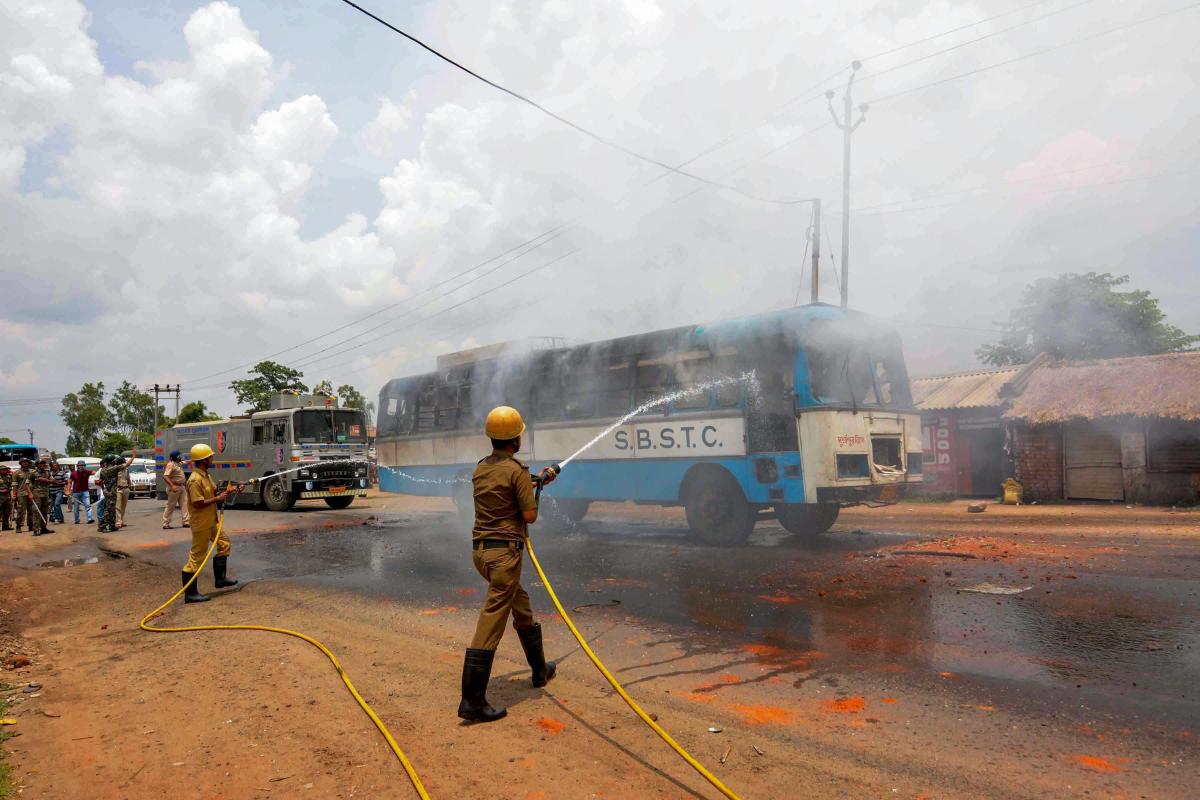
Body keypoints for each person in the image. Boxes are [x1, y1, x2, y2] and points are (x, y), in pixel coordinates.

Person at [458, 406, 558, 723]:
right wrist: (536, 491)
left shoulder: (481, 469)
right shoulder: (515, 471)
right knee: (492, 620)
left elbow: (505, 488)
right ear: (515, 439)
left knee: (522, 605)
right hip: (505, 556)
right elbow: (528, 515)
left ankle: (539, 671)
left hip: (482, 554)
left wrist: (538, 480)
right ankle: (472, 701)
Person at [181, 443, 240, 604]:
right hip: (201, 524)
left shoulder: (206, 475)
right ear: (203, 460)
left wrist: (231, 490)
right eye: (210, 457)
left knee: (224, 543)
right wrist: (218, 499)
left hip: (211, 522)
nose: (212, 459)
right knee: (196, 557)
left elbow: (214, 492)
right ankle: (190, 594)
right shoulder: (194, 480)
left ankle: (220, 580)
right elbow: (198, 503)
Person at [97, 451, 135, 533]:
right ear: (112, 461)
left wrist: (103, 489)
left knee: (111, 509)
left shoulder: (102, 470)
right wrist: (133, 456)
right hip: (112, 491)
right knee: (109, 510)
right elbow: (126, 465)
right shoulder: (113, 468)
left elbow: (100, 481)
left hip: (107, 490)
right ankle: (104, 526)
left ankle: (111, 525)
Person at [161, 450, 189, 529]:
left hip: (181, 487)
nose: (181, 457)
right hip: (174, 488)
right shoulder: (171, 465)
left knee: (185, 504)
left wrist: (193, 460)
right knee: (171, 506)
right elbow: (165, 476)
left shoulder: (178, 464)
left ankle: (186, 522)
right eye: (179, 456)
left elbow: (185, 462)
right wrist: (172, 485)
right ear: (176, 457)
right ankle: (165, 523)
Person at [29, 460, 55, 535]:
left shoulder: (47, 472)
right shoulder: (33, 473)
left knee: (45, 511)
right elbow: (27, 484)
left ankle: (43, 528)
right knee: (37, 512)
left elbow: (52, 478)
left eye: (44, 463)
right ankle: (36, 529)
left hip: (45, 494)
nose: (43, 465)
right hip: (37, 494)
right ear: (38, 464)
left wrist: (52, 480)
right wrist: (30, 494)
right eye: (41, 463)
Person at [12, 458, 35, 534]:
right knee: (21, 510)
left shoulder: (32, 472)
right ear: (20, 463)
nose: (25, 463)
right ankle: (18, 526)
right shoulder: (16, 473)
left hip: (31, 493)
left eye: (27, 462)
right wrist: (14, 495)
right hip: (21, 493)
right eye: (23, 462)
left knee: (31, 510)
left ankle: (30, 525)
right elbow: (15, 485)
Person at [114, 454, 132, 529]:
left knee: (123, 506)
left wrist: (129, 486)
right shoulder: (116, 469)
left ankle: (121, 520)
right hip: (118, 489)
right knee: (117, 507)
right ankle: (118, 522)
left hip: (125, 489)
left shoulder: (126, 469)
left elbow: (128, 478)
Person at [0, 465, 13, 532]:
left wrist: (9, 489)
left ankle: (5, 526)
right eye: (2, 469)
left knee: (7, 512)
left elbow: (11, 485)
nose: (4, 470)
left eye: (5, 469)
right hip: (0, 496)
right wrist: (1, 491)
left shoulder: (9, 476)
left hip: (7, 496)